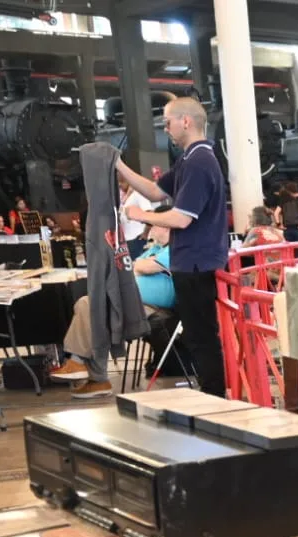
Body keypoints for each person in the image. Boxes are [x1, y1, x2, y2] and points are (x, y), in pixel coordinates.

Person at [116, 96, 229, 396]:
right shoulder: (189, 159)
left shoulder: (200, 162)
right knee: (198, 335)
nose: (165, 129)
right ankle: (212, 393)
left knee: (202, 337)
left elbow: (181, 218)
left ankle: (214, 396)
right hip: (190, 262)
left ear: (186, 121)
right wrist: (120, 166)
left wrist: (141, 216)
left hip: (196, 263)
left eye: (167, 122)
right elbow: (155, 191)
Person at [52, 225, 176, 393]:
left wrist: (139, 266)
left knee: (90, 308)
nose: (150, 229)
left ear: (166, 228)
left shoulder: (174, 249)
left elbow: (140, 267)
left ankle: (87, 371)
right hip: (130, 301)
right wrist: (138, 265)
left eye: (154, 225)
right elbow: (130, 266)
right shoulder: (155, 249)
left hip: (151, 307)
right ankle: (86, 371)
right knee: (89, 309)